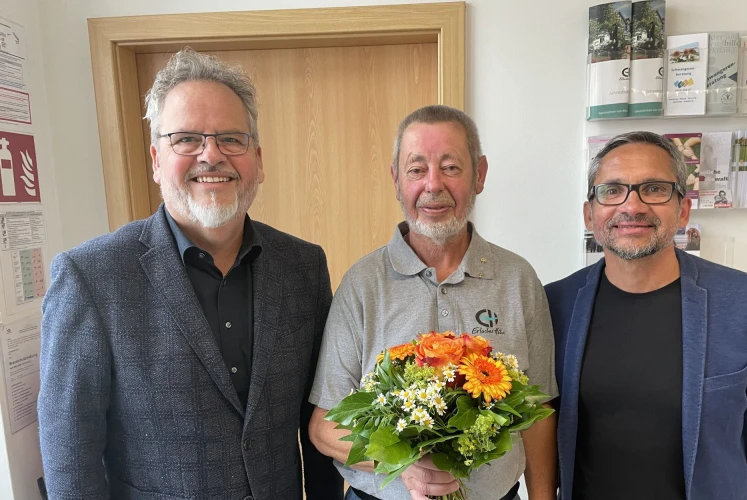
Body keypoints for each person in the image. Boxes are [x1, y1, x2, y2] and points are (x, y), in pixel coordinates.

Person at [38, 48, 342, 500]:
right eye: (186, 139)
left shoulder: (303, 267)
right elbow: (71, 459)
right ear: (157, 160)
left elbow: (318, 417)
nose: (211, 155)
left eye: (231, 139)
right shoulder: (91, 277)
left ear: (257, 159)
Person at [307, 105, 559, 500]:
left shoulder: (518, 280)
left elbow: (539, 412)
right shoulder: (361, 284)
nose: (433, 185)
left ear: (480, 175)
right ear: (396, 179)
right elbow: (324, 427)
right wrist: (403, 461)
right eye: (416, 168)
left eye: (451, 167)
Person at [545, 131, 747, 500]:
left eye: (655, 189)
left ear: (683, 210)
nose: (632, 206)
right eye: (612, 190)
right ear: (590, 213)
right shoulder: (553, 305)